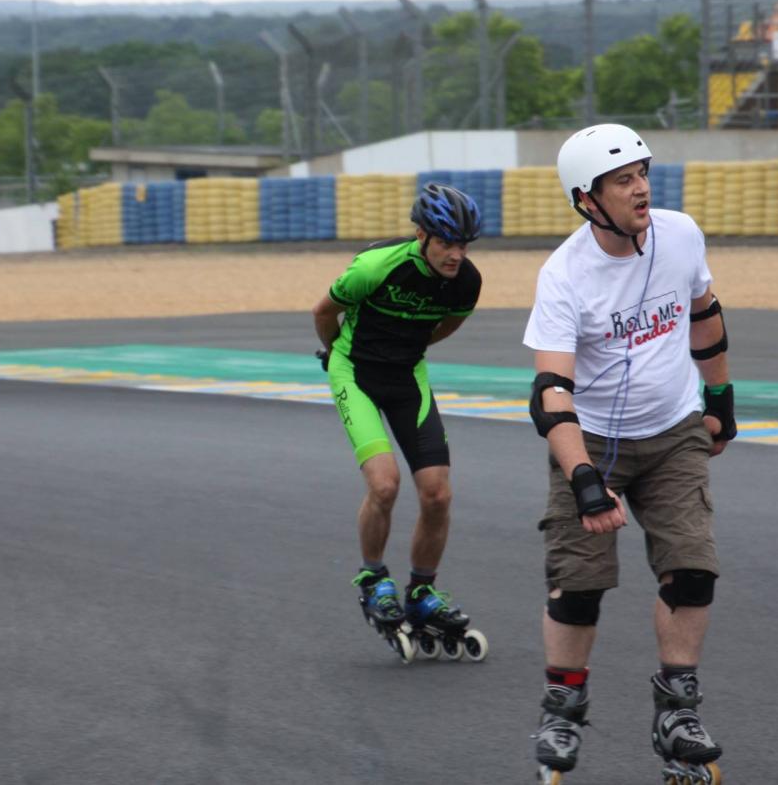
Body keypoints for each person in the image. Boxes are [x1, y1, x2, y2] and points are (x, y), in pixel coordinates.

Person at [522, 124, 736, 782]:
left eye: (643, 171)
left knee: (692, 568)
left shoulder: (680, 234)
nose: (641, 186)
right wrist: (583, 476)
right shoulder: (564, 275)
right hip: (589, 441)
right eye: (623, 179)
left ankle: (677, 707)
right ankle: (563, 705)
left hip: (673, 431)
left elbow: (705, 310)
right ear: (587, 199)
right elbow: (550, 393)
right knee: (579, 582)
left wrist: (721, 394)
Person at [312, 182, 485, 654]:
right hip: (356, 374)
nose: (456, 255)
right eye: (446, 242)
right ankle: (373, 577)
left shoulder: (467, 281)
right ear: (421, 235)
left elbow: (448, 325)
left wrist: (409, 346)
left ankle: (423, 591)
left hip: (407, 377)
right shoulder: (375, 266)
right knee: (385, 484)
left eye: (463, 245)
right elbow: (325, 311)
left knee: (437, 493)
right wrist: (333, 355)